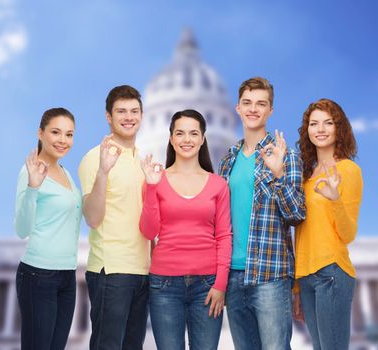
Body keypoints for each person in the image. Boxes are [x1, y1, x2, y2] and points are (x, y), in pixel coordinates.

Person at [218, 77, 306, 350]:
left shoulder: (286, 155)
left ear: (270, 111)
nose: (253, 109)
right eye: (247, 103)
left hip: (270, 273)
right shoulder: (227, 159)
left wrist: (278, 173)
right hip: (233, 275)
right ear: (237, 108)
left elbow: (297, 214)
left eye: (261, 104)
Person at [139, 109, 232, 350]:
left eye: (193, 133)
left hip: (208, 285)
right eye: (180, 133)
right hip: (164, 285)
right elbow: (149, 232)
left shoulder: (218, 184)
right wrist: (150, 187)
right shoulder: (156, 180)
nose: (187, 140)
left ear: (203, 139)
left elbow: (224, 236)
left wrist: (221, 284)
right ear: (171, 139)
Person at [78, 85, 150, 350]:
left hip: (143, 272)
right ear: (109, 116)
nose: (128, 117)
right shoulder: (94, 158)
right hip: (111, 271)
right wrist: (103, 173)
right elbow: (93, 218)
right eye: (121, 111)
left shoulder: (143, 160)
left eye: (134, 111)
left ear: (142, 116)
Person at [293, 98, 363, 350]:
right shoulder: (306, 177)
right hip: (307, 277)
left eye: (328, 123)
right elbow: (300, 233)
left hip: (331, 273)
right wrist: (297, 286)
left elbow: (348, 233)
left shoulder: (348, 171)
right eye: (314, 123)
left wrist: (335, 200)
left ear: (338, 128)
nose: (320, 129)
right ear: (307, 130)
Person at [14, 107, 82, 350]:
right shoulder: (30, 170)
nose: (63, 140)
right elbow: (21, 229)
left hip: (67, 275)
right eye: (56, 132)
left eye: (69, 134)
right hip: (38, 275)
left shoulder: (65, 173)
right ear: (40, 133)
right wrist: (33, 187)